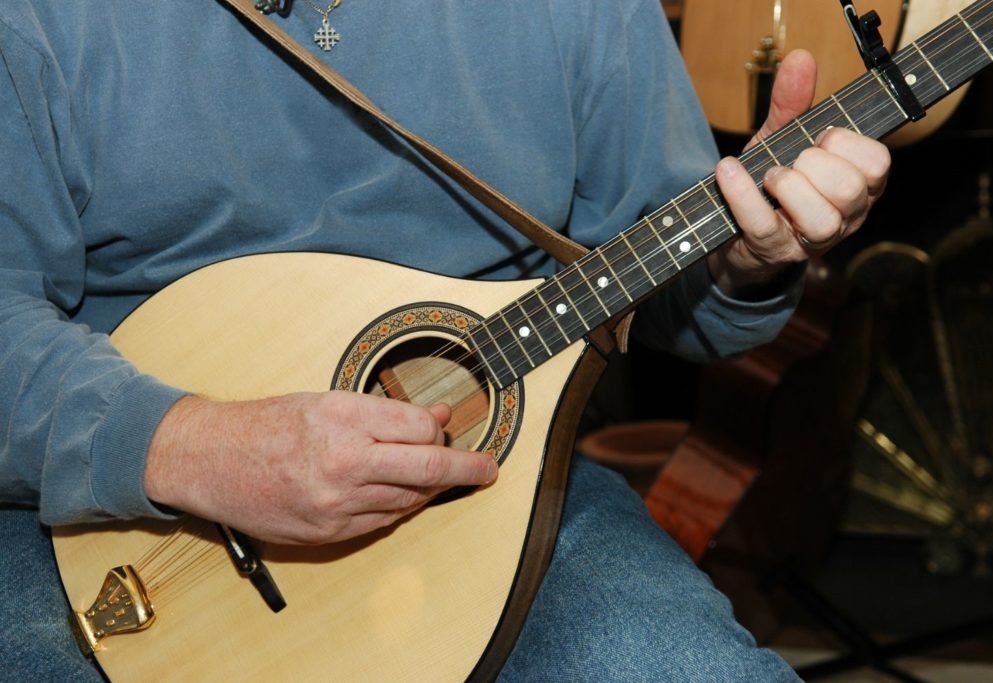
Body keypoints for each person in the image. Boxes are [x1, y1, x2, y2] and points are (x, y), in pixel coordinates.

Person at [0, 1, 889, 680]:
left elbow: (673, 297)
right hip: (113, 500)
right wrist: (193, 445)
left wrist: (745, 257)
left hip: (498, 488)